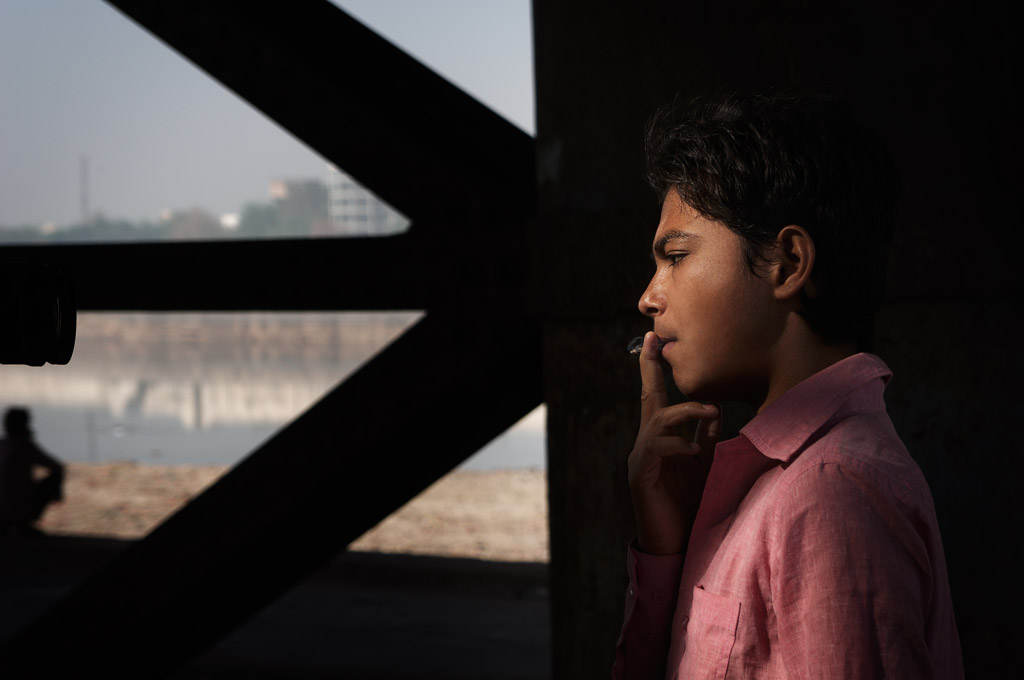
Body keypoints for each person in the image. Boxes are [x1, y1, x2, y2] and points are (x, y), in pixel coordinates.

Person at [612, 92, 963, 679]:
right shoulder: (785, 485)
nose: (648, 297)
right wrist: (665, 548)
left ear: (787, 263)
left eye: (675, 255)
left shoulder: (831, 494)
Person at [0, 407, 65, 537]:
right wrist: (57, 493)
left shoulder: (3, 445)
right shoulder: (23, 445)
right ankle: (23, 521)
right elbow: (56, 466)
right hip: (18, 508)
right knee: (53, 477)